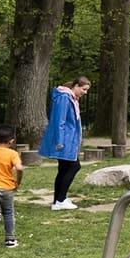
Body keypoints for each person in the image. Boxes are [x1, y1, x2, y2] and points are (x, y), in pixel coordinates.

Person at [39, 74, 90, 210]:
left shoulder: (71, 98)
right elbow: (59, 121)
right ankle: (60, 200)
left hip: (69, 138)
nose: (85, 93)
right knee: (74, 166)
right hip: (65, 140)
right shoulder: (64, 98)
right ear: (76, 86)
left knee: (63, 169)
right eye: (84, 89)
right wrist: (59, 141)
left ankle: (59, 199)